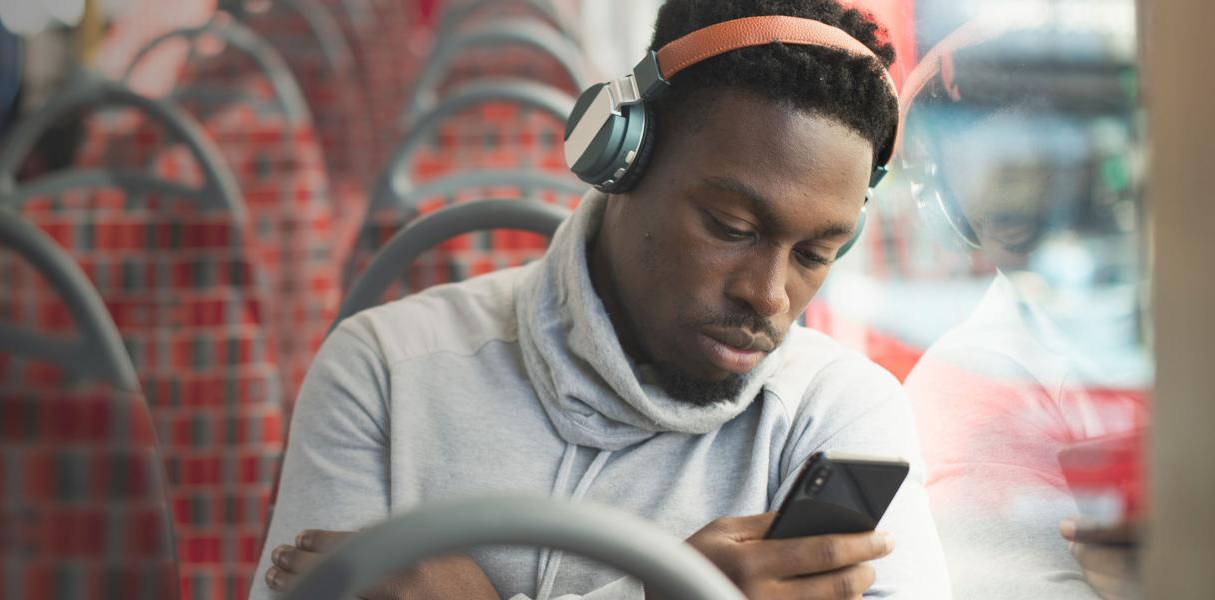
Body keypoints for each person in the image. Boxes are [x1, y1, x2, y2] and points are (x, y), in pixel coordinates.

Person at [252, 1, 951, 598]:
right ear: (621, 157)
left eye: (813, 255)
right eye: (731, 229)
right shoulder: (385, 375)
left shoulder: (839, 415)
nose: (767, 296)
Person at [899, 19, 1150, 600]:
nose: (1070, 257)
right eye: (1019, 224)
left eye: (1094, 205)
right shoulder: (973, 384)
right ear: (958, 224)